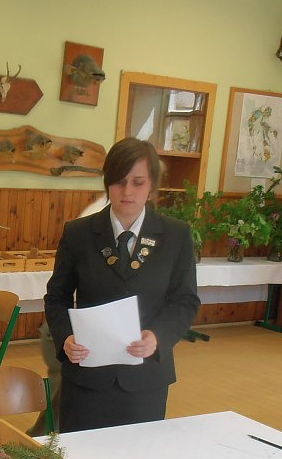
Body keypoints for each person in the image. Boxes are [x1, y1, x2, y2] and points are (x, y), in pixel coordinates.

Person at [43, 137, 200, 432]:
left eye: (138, 182)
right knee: (81, 453)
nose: (127, 192)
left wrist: (158, 336)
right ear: (107, 183)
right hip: (87, 375)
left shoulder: (175, 235)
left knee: (139, 453)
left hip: (146, 377)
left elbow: (185, 300)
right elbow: (56, 297)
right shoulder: (79, 233)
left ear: (152, 186)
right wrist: (65, 337)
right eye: (118, 182)